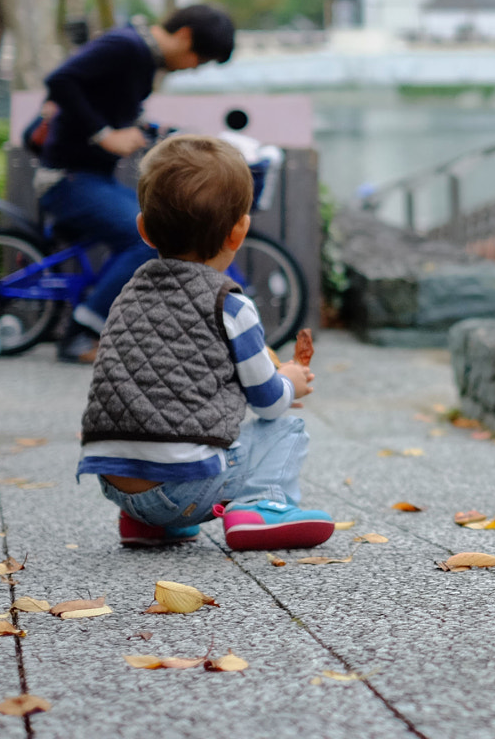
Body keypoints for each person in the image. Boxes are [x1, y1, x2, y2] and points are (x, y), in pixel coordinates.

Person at [76, 134, 336, 551]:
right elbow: (267, 401)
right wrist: (289, 379)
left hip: (114, 481)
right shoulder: (230, 306)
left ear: (143, 229)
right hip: (184, 490)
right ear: (240, 232)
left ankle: (146, 523)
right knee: (285, 427)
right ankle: (262, 506)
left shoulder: (127, 294)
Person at [36, 6, 235, 362]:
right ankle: (80, 334)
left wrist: (153, 131)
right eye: (198, 59)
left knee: (154, 226)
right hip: (67, 179)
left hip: (90, 177)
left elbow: (111, 104)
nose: (193, 68)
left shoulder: (141, 57)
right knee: (151, 238)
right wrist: (103, 135)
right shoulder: (127, 46)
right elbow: (60, 80)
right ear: (185, 35)